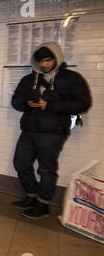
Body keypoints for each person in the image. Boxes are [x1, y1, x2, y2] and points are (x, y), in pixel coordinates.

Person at [11, 42, 91, 219]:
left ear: (57, 58)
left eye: (48, 60)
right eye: (40, 61)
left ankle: (44, 204)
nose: (44, 64)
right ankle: (32, 196)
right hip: (29, 130)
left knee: (46, 169)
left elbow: (84, 104)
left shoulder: (72, 79)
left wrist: (51, 105)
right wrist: (26, 103)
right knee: (21, 163)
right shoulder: (28, 80)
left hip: (54, 132)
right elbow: (16, 101)